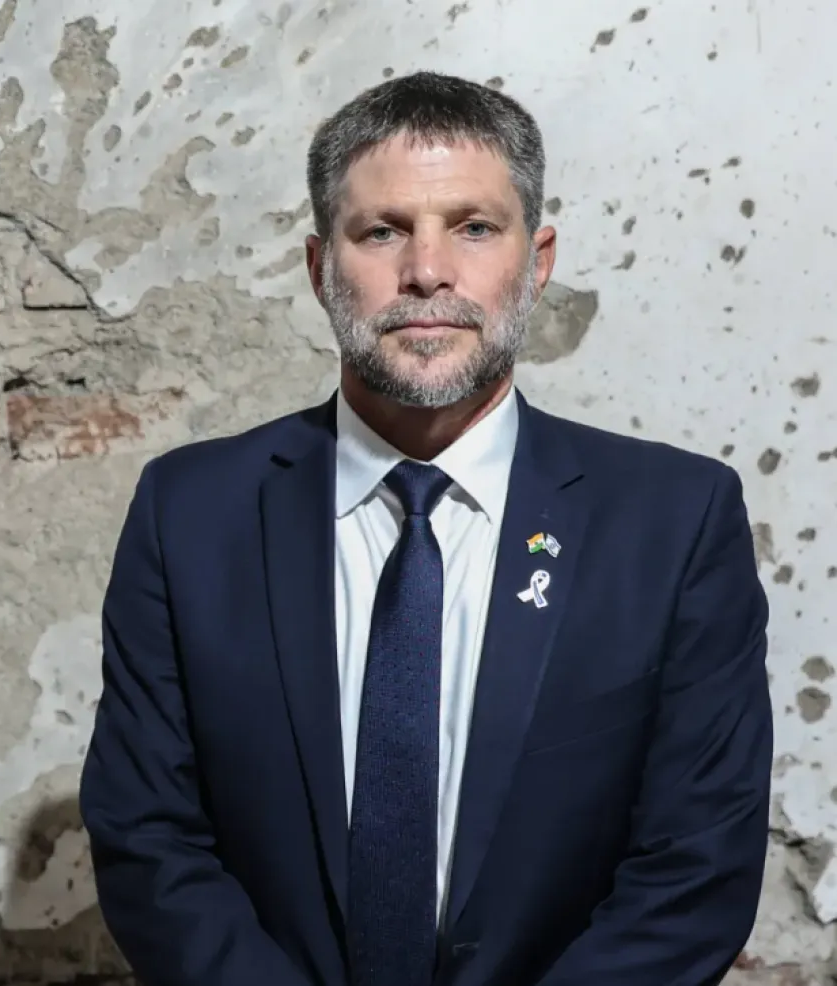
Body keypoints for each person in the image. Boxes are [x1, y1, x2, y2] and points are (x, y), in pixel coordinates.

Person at [78, 70, 772, 986]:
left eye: (475, 228)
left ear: (538, 260)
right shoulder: (191, 513)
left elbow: (695, 871)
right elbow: (148, 839)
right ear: (323, 268)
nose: (429, 271)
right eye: (383, 231)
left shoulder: (675, 521)